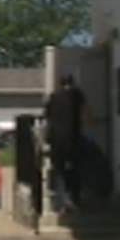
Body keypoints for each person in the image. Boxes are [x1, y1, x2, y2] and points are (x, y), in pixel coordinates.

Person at [44, 74, 89, 211]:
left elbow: (47, 115)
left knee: (58, 169)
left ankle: (58, 201)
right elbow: (85, 112)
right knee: (75, 169)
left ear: (61, 83)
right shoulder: (77, 95)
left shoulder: (53, 97)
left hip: (56, 139)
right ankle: (74, 199)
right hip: (72, 138)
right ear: (72, 83)